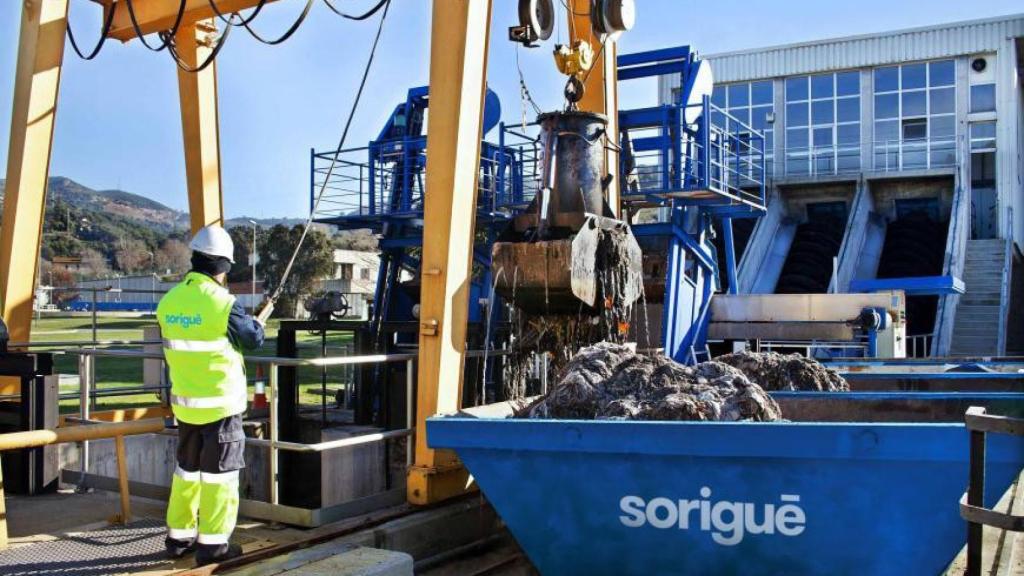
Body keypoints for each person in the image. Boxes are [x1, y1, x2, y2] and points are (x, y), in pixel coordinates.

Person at [159, 224, 265, 565]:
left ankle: (178, 539)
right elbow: (252, 339)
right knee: (220, 477)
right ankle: (214, 547)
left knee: (186, 472)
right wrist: (258, 322)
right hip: (220, 407)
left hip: (186, 405)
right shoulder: (223, 303)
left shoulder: (170, 300)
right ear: (224, 267)